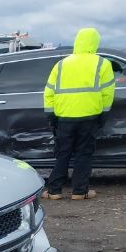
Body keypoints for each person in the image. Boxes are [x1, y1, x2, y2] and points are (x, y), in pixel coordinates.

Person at [42, 27, 114, 201]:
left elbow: (49, 92)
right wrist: (103, 114)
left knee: (63, 154)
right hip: (89, 117)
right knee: (84, 154)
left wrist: (51, 115)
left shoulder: (62, 64)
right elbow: (107, 92)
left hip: (64, 117)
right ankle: (79, 192)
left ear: (77, 42)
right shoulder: (101, 63)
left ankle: (54, 191)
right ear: (95, 43)